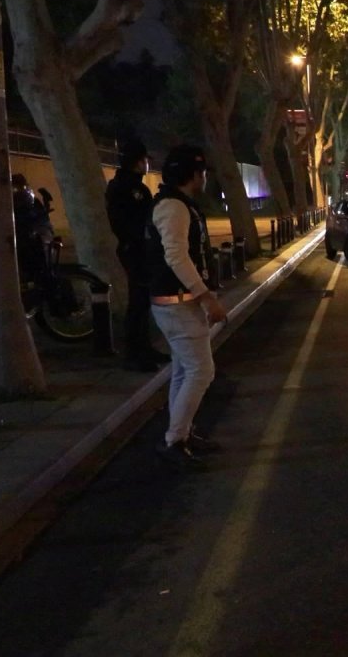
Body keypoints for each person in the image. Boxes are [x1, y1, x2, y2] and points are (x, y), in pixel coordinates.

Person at [146, 145, 227, 470]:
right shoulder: (174, 207)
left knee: (184, 370)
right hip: (177, 303)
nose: (204, 178)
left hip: (178, 302)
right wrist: (206, 297)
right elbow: (176, 256)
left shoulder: (177, 204)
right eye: (202, 172)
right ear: (194, 174)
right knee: (201, 371)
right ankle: (174, 440)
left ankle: (180, 432)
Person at [106, 136, 169, 371]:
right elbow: (132, 222)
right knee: (138, 302)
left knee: (142, 301)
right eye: (144, 160)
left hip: (137, 248)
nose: (147, 164)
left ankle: (144, 348)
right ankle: (134, 354)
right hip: (135, 250)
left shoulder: (126, 185)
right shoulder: (129, 188)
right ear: (137, 162)